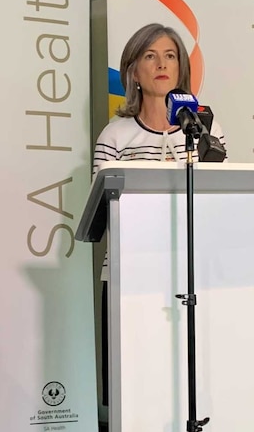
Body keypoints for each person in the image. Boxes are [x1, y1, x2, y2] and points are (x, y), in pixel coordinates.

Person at [91, 23, 226, 407]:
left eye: (169, 56)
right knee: (133, 387)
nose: (161, 64)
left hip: (193, 273)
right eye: (149, 56)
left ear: (181, 68)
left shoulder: (207, 129)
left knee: (191, 384)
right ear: (133, 71)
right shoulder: (115, 135)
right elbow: (101, 207)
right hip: (129, 274)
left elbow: (220, 199)